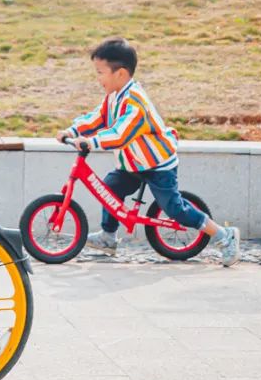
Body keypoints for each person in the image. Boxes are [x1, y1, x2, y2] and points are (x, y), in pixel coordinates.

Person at [59, 37, 240, 267]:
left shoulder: (136, 103)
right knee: (110, 188)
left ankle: (224, 235)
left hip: (157, 165)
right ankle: (108, 237)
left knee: (173, 208)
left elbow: (120, 135)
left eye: (100, 72)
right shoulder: (114, 97)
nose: (98, 78)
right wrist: (73, 130)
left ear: (120, 74)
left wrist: (90, 142)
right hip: (133, 164)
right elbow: (97, 117)